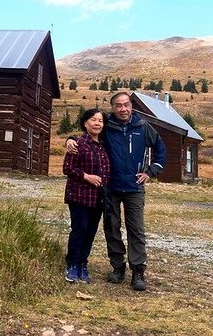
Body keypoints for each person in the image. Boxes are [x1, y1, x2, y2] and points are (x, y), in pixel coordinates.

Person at [66, 92, 166, 291]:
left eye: (126, 105)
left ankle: (138, 271)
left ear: (131, 106)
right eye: (118, 105)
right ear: (113, 108)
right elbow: (88, 134)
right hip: (110, 188)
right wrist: (69, 139)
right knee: (111, 228)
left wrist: (150, 171)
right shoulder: (107, 126)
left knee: (136, 229)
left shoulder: (143, 127)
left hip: (135, 188)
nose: (123, 109)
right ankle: (118, 267)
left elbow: (160, 150)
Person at [62, 108, 111, 284]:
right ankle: (72, 264)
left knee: (90, 231)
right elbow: (68, 168)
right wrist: (87, 177)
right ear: (85, 123)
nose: (97, 123)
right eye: (93, 119)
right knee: (79, 229)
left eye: (100, 121)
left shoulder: (105, 145)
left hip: (98, 198)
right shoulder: (78, 143)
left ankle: (83, 263)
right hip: (79, 196)